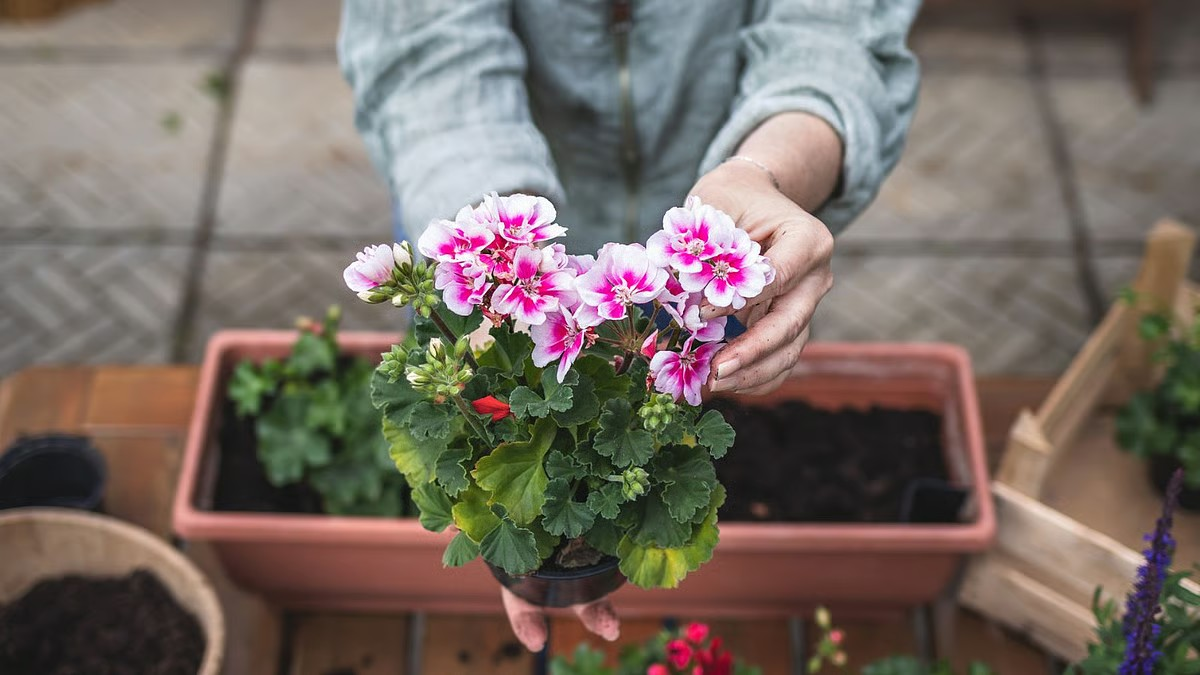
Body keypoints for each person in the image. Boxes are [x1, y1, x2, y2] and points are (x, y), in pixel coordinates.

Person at [339, 0, 920, 652]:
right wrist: (500, 251)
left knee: (709, 400)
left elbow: (833, 28)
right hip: (484, 212)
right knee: (517, 403)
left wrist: (765, 172)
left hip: (716, 245)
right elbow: (426, 44)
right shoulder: (499, 273)